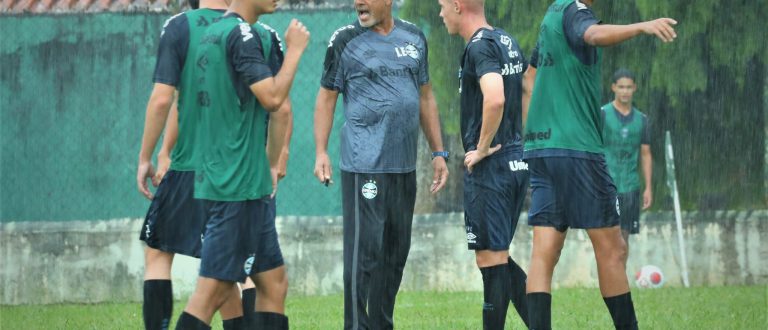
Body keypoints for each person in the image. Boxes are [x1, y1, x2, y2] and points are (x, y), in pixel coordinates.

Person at [522, 0, 676, 329]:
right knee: (612, 247)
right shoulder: (577, 10)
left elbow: (528, 80)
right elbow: (592, 35)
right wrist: (641, 26)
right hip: (577, 148)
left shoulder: (551, 14)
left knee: (544, 251)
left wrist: (538, 127)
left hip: (542, 146)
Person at [172, 0, 309, 327]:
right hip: (237, 190)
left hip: (229, 182)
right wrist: (294, 50)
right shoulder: (244, 36)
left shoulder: (210, 34)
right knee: (209, 297)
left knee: (273, 283)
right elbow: (276, 102)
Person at [313, 0, 449, 328]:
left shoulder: (414, 37)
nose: (359, 2)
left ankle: (381, 323)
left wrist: (439, 152)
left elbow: (426, 96)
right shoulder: (344, 40)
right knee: (363, 255)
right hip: (364, 167)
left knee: (395, 254)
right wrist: (321, 151)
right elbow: (327, 97)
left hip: (403, 167)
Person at [134, 0, 245, 328]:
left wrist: (147, 157)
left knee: (157, 253)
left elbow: (164, 99)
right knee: (225, 274)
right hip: (234, 171)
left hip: (189, 168)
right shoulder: (248, 31)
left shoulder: (180, 27)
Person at [437, 0, 529, 328]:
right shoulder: (505, 40)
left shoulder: (479, 47)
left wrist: (482, 148)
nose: (440, 13)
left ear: (458, 6)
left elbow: (496, 98)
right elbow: (528, 88)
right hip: (515, 160)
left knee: (490, 259)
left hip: (493, 167)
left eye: (442, 5)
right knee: (497, 256)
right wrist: (519, 142)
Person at [601, 68, 652, 265]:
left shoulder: (642, 120)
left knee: (624, 237)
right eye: (621, 87)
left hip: (630, 186)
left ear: (634, 89)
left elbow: (646, 154)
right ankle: (607, 277)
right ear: (613, 88)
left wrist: (648, 187)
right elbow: (593, 148)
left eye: (628, 87)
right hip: (606, 185)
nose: (625, 91)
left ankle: (620, 278)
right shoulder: (603, 115)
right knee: (607, 236)